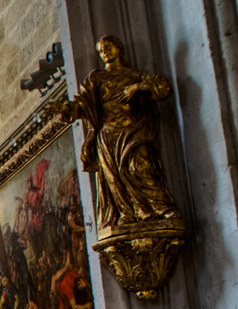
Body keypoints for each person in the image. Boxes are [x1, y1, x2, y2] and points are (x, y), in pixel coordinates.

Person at [43, 35, 182, 229]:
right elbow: (81, 103)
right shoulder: (96, 78)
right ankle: (126, 213)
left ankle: (161, 208)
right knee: (113, 177)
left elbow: (162, 86)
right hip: (106, 133)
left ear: (119, 48)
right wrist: (64, 108)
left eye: (108, 46)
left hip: (131, 128)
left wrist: (138, 87)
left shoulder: (134, 75)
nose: (104, 52)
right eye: (100, 50)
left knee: (139, 167)